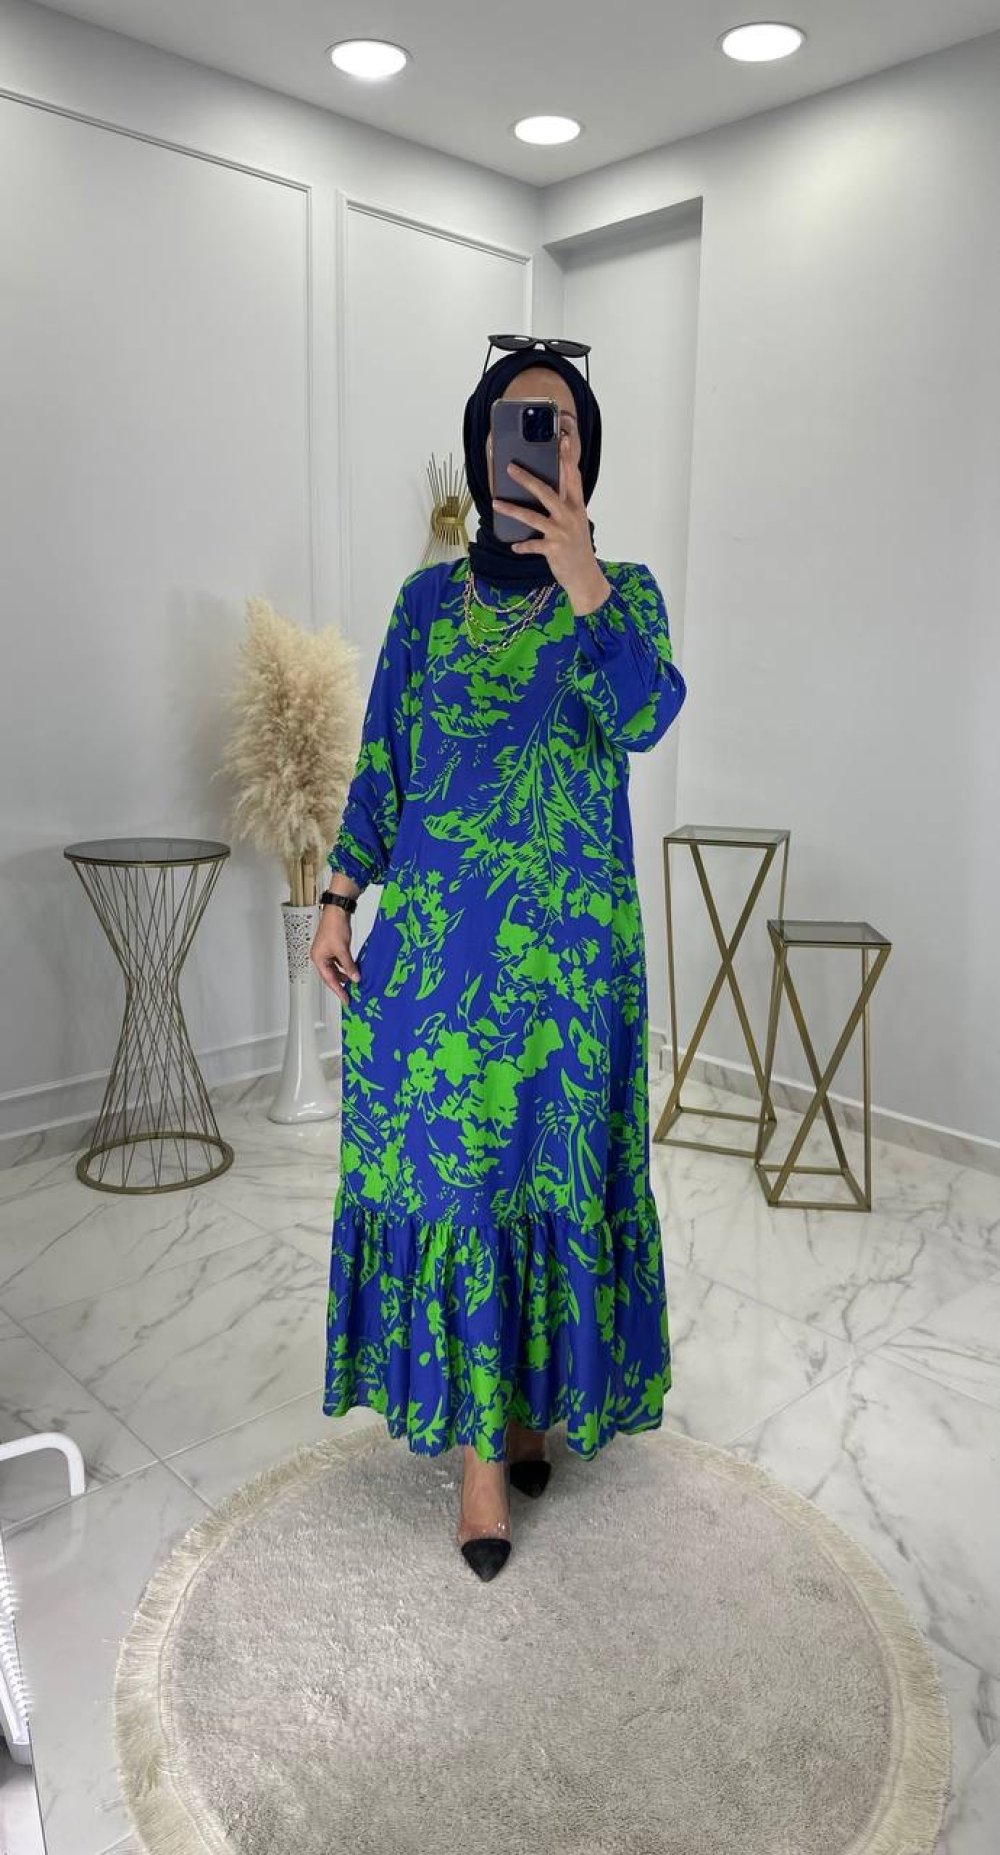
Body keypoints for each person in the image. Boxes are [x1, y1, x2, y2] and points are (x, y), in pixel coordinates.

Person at [311, 338, 687, 1581]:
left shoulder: (622, 596)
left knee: (548, 1183)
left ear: (583, 453)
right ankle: (483, 1461)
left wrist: (581, 579)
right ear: (483, 450)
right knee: (465, 1191)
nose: (534, 442)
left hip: (571, 972)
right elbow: (383, 763)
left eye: (557, 424)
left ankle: (530, 1413)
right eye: (514, 423)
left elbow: (646, 714)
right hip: (438, 967)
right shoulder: (424, 606)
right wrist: (337, 896)